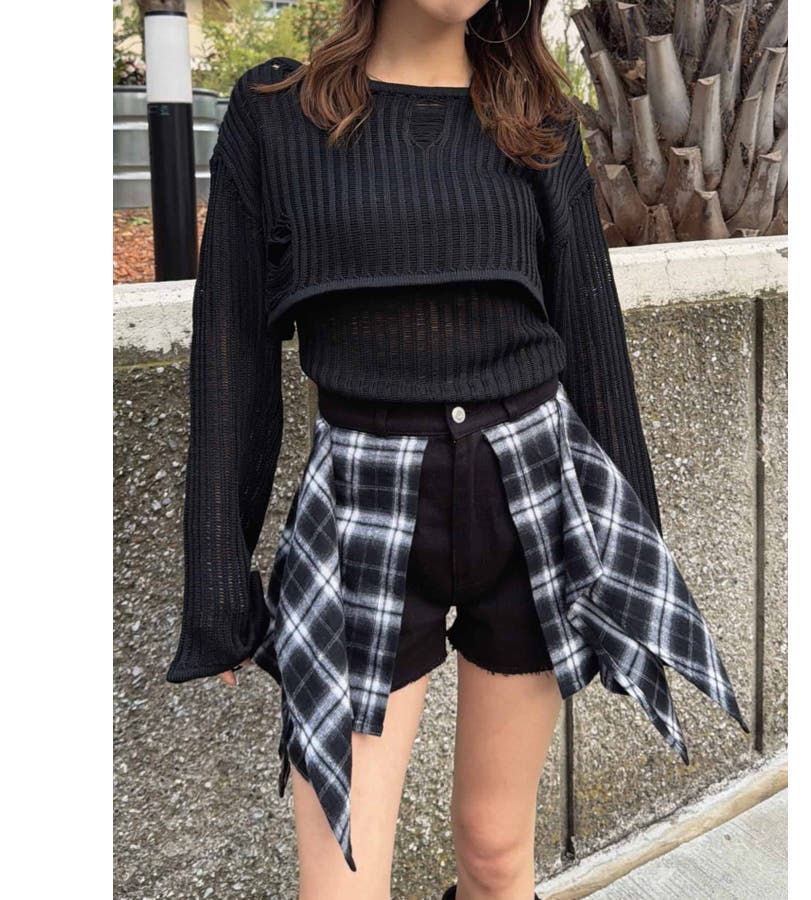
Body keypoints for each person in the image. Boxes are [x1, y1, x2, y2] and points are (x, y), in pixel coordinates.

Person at [165, 1, 749, 898]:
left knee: (495, 852)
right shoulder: (276, 111)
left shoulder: (534, 116)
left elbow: (591, 332)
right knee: (341, 881)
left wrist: (631, 551)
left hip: (534, 492)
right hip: (360, 506)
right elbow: (231, 351)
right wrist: (218, 579)